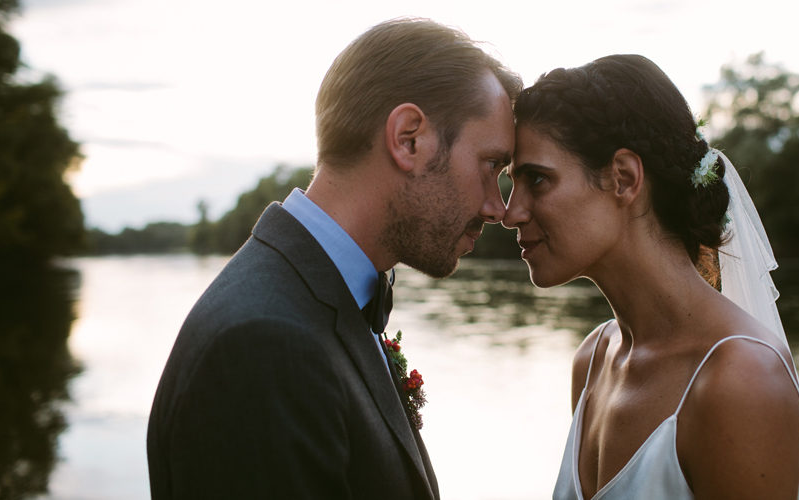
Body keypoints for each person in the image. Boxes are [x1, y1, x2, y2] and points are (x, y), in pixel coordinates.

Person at [147, 18, 521, 499]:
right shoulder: (264, 348)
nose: (498, 206)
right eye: (491, 165)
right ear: (408, 138)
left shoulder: (321, 299)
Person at [502, 55, 799, 499]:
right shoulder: (593, 361)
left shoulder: (740, 382)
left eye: (538, 180)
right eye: (512, 183)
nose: (510, 214)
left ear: (623, 178)